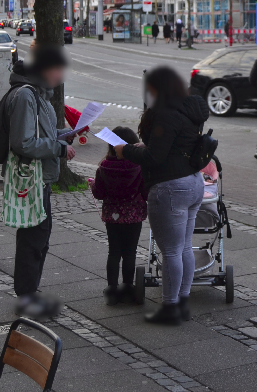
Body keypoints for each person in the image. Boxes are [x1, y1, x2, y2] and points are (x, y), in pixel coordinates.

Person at [115, 66, 208, 325]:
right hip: (193, 182)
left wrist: (126, 151)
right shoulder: (188, 108)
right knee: (184, 246)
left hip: (170, 188)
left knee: (170, 251)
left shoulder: (166, 113)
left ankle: (170, 308)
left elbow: (155, 158)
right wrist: (146, 146)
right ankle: (182, 300)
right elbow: (176, 145)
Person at [5, 45, 77, 318]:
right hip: (30, 179)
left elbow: (40, 132)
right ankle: (26, 297)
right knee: (33, 239)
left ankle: (30, 292)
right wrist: (58, 148)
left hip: (41, 176)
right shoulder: (26, 96)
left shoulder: (39, 95)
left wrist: (64, 134)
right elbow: (23, 142)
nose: (61, 76)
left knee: (39, 237)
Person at [88, 126, 146, 306]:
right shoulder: (138, 166)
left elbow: (99, 193)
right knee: (130, 252)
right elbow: (144, 191)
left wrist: (92, 186)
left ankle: (112, 289)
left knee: (114, 251)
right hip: (134, 214)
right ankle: (128, 287)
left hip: (112, 216)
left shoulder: (104, 167)